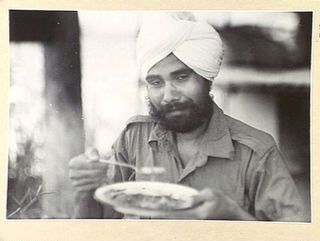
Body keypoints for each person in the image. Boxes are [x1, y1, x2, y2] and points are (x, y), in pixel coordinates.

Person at [68, 13, 307, 221]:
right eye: (156, 82)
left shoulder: (257, 152)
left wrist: (234, 217)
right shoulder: (134, 138)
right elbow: (96, 227)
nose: (169, 95)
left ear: (207, 79)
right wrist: (86, 188)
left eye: (181, 77)